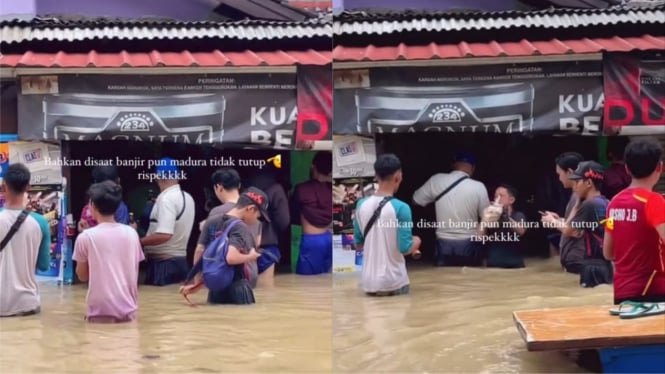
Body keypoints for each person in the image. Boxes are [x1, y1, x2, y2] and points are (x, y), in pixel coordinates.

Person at [73, 181, 144, 323]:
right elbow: (133, 269)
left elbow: (82, 276)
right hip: (128, 313)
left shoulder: (85, 237)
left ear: (92, 205)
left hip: (98, 314)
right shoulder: (132, 234)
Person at [604, 139, 665, 304]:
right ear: (660, 167)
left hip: (622, 294)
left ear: (627, 168)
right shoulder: (654, 201)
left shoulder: (613, 203)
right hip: (655, 292)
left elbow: (608, 252)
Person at [354, 154, 421, 296]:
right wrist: (417, 241)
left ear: (375, 176)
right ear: (399, 176)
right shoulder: (402, 208)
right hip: (395, 283)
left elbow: (358, 244)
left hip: (369, 284)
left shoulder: (360, 205)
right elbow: (405, 248)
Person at [185, 188, 267, 304]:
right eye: (258, 216)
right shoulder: (240, 227)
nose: (256, 220)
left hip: (216, 288)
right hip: (236, 287)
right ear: (250, 209)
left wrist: (199, 278)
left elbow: (200, 250)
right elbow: (231, 257)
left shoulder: (212, 220)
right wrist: (250, 257)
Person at [412, 151, 489, 267]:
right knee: (472, 281)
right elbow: (487, 217)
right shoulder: (479, 186)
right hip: (469, 243)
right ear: (473, 168)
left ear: (452, 165)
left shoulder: (436, 180)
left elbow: (415, 201)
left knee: (443, 280)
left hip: (443, 243)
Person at [0, 163, 51, 317]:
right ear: (28, 187)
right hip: (28, 304)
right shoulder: (41, 222)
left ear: (4, 186)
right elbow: (43, 265)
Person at [554, 161, 613, 287]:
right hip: (606, 264)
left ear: (589, 183)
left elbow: (570, 230)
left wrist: (553, 221)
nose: (574, 187)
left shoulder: (589, 205)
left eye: (577, 182)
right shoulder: (606, 202)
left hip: (593, 266)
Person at [141, 157, 195, 286]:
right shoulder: (188, 197)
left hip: (163, 266)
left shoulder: (166, 199)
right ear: (177, 176)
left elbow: (164, 234)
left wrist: (138, 241)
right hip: (180, 262)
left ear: (158, 177)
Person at [193, 168, 262, 267]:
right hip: (250, 271)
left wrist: (197, 275)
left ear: (219, 187)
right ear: (239, 185)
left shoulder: (216, 212)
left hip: (227, 274)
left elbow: (202, 248)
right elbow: (257, 243)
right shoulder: (252, 211)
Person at [541, 152, 585, 272]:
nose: (559, 178)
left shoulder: (580, 196)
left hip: (579, 261)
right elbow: (576, 224)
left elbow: (576, 231)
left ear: (570, 172)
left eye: (559, 174)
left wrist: (553, 221)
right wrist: (558, 220)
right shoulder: (576, 195)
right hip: (574, 260)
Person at [292, 151, 333, 275]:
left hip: (311, 241)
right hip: (329, 239)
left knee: (305, 283)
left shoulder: (301, 189)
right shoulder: (333, 190)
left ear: (313, 167)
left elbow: (293, 214)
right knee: (325, 281)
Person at [246, 169, 290, 286]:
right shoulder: (276, 189)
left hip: (243, 247)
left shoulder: (243, 188)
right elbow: (284, 220)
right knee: (266, 290)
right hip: (267, 245)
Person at [479, 184, 527, 269]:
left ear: (511, 200)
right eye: (495, 196)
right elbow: (480, 237)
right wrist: (484, 219)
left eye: (501, 196)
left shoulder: (518, 215)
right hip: (493, 264)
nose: (497, 199)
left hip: (515, 265)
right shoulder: (490, 218)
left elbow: (521, 231)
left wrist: (506, 217)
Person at [78, 165, 130, 232]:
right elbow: (121, 234)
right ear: (118, 181)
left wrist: (86, 232)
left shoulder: (88, 207)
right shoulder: (120, 207)